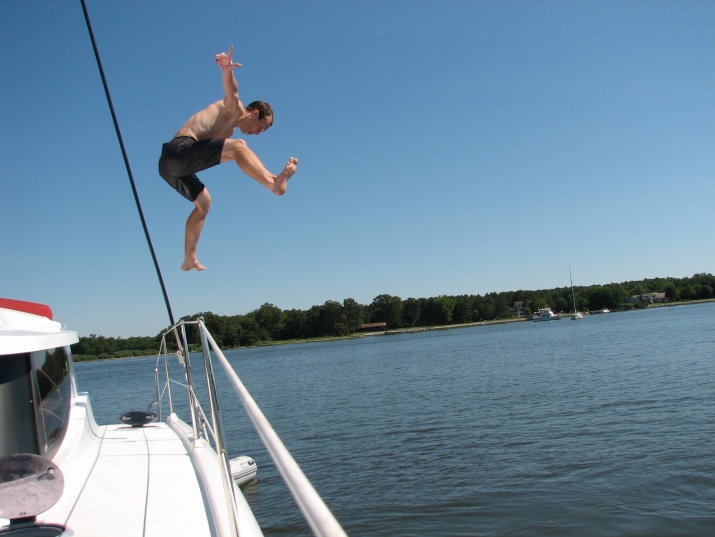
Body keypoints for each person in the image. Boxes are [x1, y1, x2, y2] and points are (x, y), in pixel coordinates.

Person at [159, 46, 298, 271]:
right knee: (238, 148)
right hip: (177, 152)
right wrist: (226, 71)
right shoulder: (234, 111)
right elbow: (232, 92)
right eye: (260, 127)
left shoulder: (229, 132)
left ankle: (189, 258)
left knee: (204, 203)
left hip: (171, 169)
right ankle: (273, 183)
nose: (258, 133)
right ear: (254, 113)